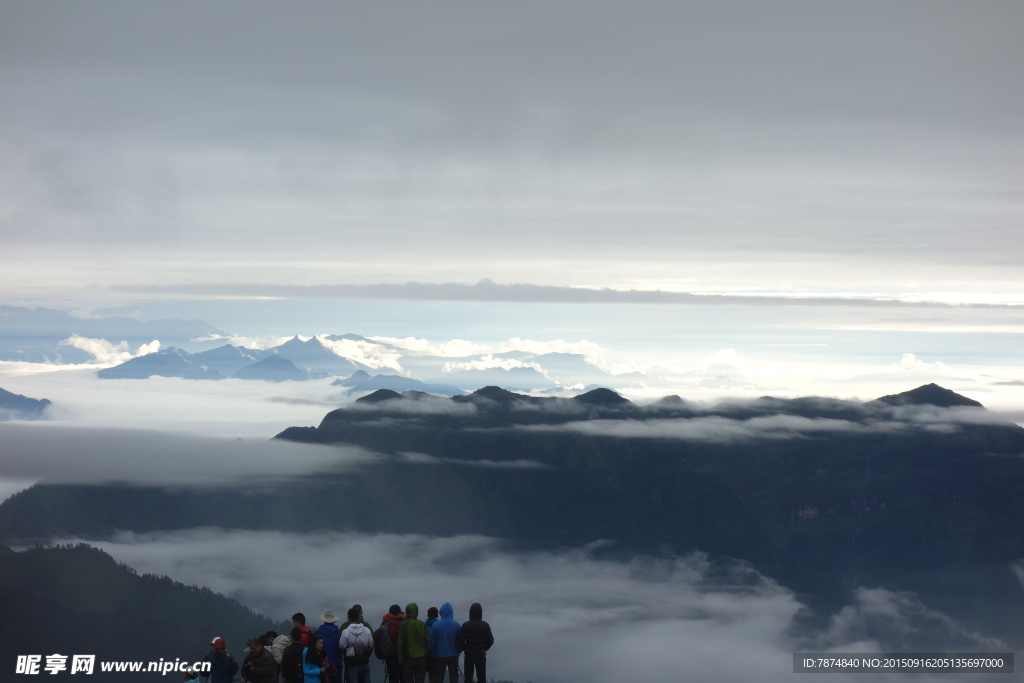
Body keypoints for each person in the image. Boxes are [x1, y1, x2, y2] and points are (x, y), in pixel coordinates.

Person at [456, 603, 493, 683]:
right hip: (481, 654)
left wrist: (466, 648)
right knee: (482, 677)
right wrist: (484, 648)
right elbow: (491, 640)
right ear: (480, 613)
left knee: (468, 678)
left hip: (469, 654)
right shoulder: (485, 625)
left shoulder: (465, 625)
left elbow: (460, 641)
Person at [338, 607, 374, 683]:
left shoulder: (345, 632)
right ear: (358, 617)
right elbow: (371, 646)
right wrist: (366, 656)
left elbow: (341, 646)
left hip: (351, 663)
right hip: (364, 662)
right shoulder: (366, 630)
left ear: (348, 618)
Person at [426, 603, 459, 683]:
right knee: (454, 679)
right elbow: (459, 641)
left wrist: (433, 653)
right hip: (453, 655)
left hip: (439, 656)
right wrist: (458, 651)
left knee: (439, 679)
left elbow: (433, 642)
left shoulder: (436, 625)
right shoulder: (457, 625)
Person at [397, 603, 428, 683]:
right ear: (416, 612)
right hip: (421, 658)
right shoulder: (421, 624)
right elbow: (427, 640)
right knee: (420, 679)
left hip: (408, 657)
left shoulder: (403, 625)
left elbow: (400, 643)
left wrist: (400, 659)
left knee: (408, 679)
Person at [315, 610, 344, 683]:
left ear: (324, 620)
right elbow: (343, 647)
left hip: (321, 666)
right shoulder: (339, 633)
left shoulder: (317, 633)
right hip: (336, 665)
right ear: (334, 621)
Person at [378, 605, 403, 683]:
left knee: (392, 676)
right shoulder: (395, 623)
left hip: (387, 653)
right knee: (399, 675)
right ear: (398, 613)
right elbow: (398, 638)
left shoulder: (385, 621)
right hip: (395, 654)